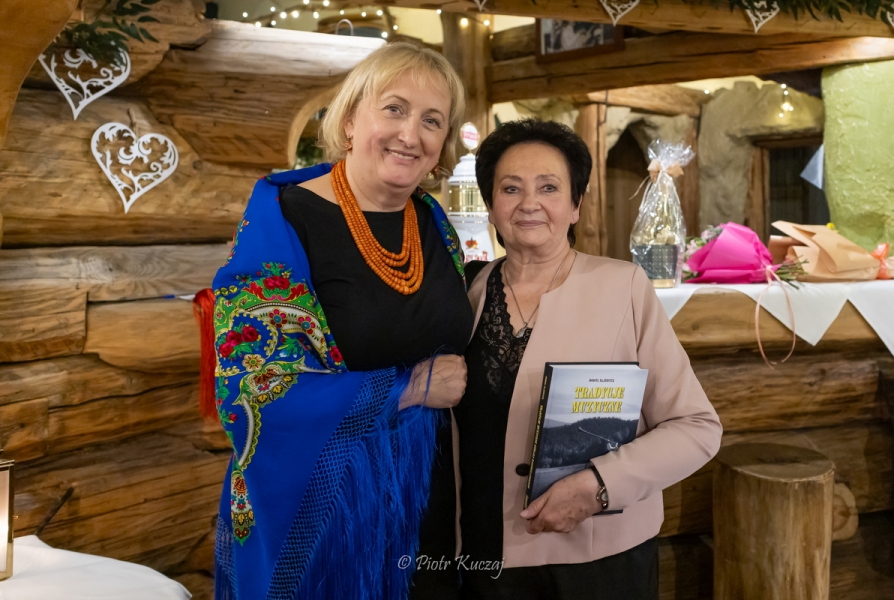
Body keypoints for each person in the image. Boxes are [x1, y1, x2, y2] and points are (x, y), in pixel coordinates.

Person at [202, 42, 470, 600]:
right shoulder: (284, 218)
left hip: (429, 500)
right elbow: (253, 388)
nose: (410, 134)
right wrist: (408, 388)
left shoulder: (431, 219)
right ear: (349, 120)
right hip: (324, 511)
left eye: (432, 120)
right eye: (394, 109)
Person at [453, 119, 722, 599]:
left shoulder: (624, 288)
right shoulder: (465, 295)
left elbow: (697, 427)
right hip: (481, 555)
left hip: (597, 561)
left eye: (549, 187)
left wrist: (601, 484)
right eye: (511, 188)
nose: (529, 203)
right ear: (491, 206)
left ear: (575, 205)